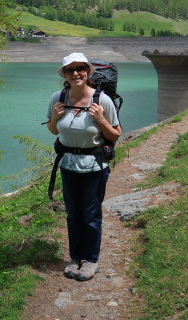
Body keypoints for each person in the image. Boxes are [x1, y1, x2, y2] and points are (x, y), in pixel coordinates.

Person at [46, 52, 122, 281]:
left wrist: (100, 120)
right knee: (73, 214)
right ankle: (75, 257)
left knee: (90, 214)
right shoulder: (58, 98)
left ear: (88, 72)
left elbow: (115, 135)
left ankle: (90, 260)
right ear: (65, 75)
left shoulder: (101, 101)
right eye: (70, 70)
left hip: (94, 167)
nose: (76, 73)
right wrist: (54, 119)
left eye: (80, 68)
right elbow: (54, 130)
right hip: (68, 165)